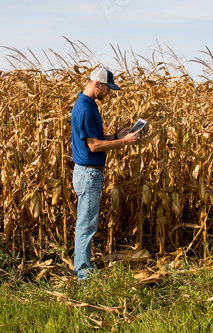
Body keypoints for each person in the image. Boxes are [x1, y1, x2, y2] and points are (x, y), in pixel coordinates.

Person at [71, 67, 142, 280]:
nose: (108, 94)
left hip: (89, 173)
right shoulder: (84, 109)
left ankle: (83, 268)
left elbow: (95, 141)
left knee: (87, 222)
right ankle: (83, 273)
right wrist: (123, 142)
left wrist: (114, 135)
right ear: (97, 84)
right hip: (88, 174)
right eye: (107, 89)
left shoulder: (88, 106)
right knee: (86, 224)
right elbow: (93, 146)